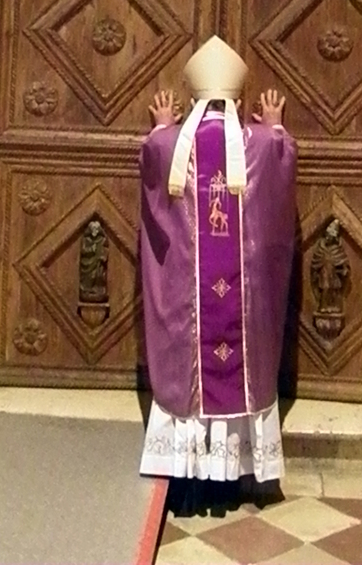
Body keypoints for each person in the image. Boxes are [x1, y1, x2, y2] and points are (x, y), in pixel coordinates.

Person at [137, 34, 297, 489]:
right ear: (239, 101)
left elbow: (152, 161)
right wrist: (275, 126)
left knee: (188, 356)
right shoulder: (262, 144)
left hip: (188, 296)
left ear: (191, 100)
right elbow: (282, 163)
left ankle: (186, 467)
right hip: (244, 298)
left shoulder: (169, 146)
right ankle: (237, 467)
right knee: (241, 356)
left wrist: (162, 127)